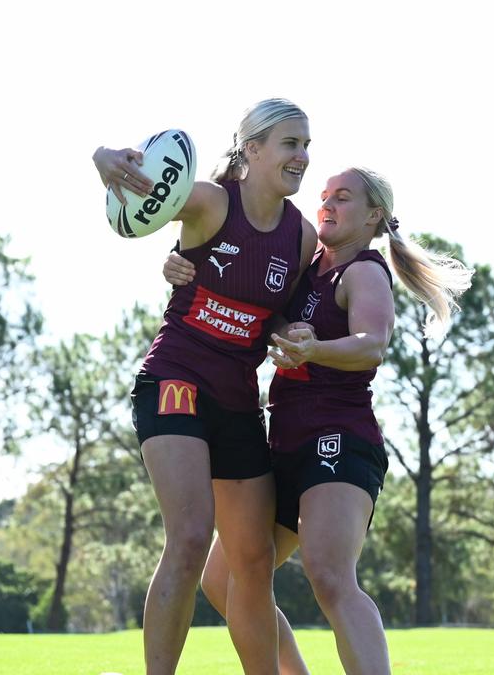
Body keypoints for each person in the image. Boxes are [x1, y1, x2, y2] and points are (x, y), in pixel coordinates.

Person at [163, 167, 473, 674]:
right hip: (282, 442)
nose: (326, 204)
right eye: (324, 196)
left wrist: (314, 348)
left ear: (375, 215)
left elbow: (371, 345)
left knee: (330, 575)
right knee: (223, 579)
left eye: (343, 198)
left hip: (338, 439)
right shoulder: (305, 264)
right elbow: (240, 275)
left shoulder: (365, 272)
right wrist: (179, 262)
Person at [93, 98, 318, 675]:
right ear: (253, 149)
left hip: (239, 401)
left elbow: (274, 318)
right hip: (175, 379)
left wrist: (291, 331)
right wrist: (103, 157)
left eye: (307, 146)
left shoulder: (300, 237)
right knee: (191, 538)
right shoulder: (213, 202)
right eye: (291, 144)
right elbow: (136, 191)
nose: (302, 156)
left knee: (253, 558)